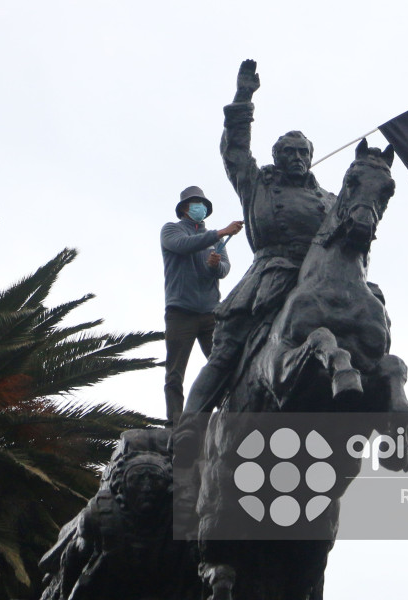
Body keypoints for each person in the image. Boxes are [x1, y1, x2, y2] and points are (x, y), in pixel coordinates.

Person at [170, 60, 341, 459]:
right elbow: (234, 148)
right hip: (271, 273)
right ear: (277, 156)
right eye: (289, 152)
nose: (297, 158)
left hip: (317, 279)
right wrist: (244, 97)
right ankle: (190, 428)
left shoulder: (329, 200)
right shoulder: (257, 181)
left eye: (303, 152)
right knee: (226, 348)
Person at [161, 186, 243, 426]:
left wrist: (214, 265)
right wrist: (221, 232)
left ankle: (229, 417)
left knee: (223, 366)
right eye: (195, 203)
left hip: (210, 314)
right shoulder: (171, 230)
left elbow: (225, 270)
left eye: (203, 204)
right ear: (185, 208)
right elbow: (183, 245)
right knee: (175, 372)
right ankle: (175, 423)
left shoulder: (215, 240)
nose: (201, 208)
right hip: (180, 313)